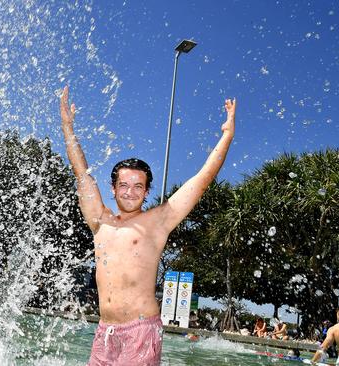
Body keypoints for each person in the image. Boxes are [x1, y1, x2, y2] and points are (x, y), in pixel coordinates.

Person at [59, 86, 236, 365]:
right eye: (124, 185)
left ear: (147, 191)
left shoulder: (157, 222)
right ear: (113, 188)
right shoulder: (100, 222)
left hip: (141, 331)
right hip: (105, 332)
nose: (130, 192)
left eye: (138, 186)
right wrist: (68, 127)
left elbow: (201, 180)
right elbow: (81, 172)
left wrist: (227, 135)